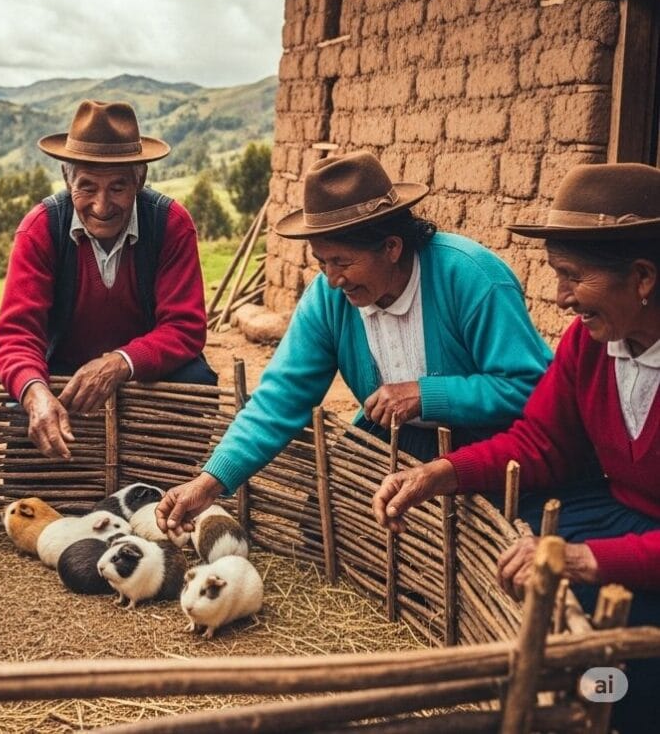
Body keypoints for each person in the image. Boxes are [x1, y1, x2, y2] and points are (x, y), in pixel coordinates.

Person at [372, 161, 660, 733]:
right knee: (516, 543)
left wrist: (585, 559)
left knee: (622, 654)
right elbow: (545, 441)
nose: (559, 298)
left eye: (572, 276)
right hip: (623, 517)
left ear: (643, 277)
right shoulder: (590, 343)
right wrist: (443, 472)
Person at [157, 150, 551, 529]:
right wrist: (209, 482)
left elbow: (531, 389)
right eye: (322, 262)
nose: (331, 279)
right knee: (323, 526)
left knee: (492, 533)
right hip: (396, 440)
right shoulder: (328, 299)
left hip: (485, 444)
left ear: (392, 247)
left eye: (342, 262)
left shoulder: (470, 278)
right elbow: (279, 398)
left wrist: (427, 394)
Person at [0, 99, 216, 460]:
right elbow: (17, 334)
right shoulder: (41, 229)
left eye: (117, 187)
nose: (101, 205)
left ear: (139, 180)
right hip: (66, 371)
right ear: (67, 181)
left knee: (194, 385)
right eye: (86, 187)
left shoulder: (170, 224)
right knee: (27, 415)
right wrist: (35, 392)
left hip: (148, 374)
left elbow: (185, 326)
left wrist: (120, 362)